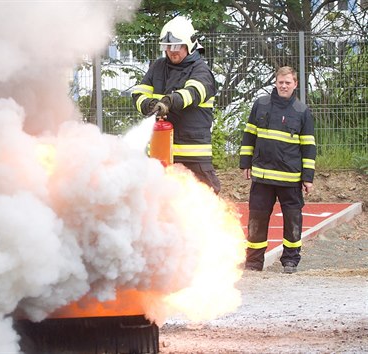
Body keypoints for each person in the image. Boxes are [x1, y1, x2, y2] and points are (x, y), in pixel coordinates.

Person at [239, 66, 316, 274]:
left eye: (288, 83)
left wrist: (307, 178)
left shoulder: (302, 111)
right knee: (256, 219)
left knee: (293, 220)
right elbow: (249, 135)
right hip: (262, 177)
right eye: (280, 82)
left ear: (295, 85)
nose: (283, 86)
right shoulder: (261, 105)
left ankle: (290, 260)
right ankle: (254, 262)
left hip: (290, 179)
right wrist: (245, 162)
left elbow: (309, 146)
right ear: (275, 82)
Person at [132, 16, 221, 194]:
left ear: (189, 45)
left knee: (201, 206)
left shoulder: (201, 71)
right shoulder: (158, 67)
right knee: (163, 207)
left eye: (176, 46)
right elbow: (138, 93)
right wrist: (150, 104)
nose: (172, 51)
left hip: (193, 156)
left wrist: (168, 101)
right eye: (167, 47)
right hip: (162, 154)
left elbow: (192, 93)